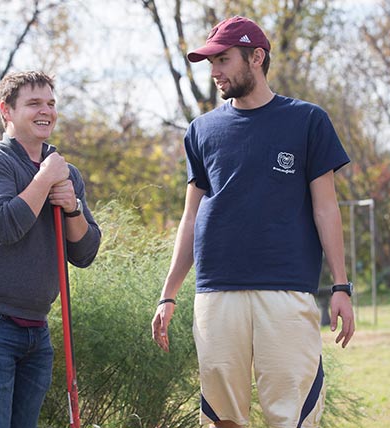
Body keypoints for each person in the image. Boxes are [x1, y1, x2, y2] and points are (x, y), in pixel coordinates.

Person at [151, 16, 355, 428]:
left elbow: (325, 209)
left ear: (256, 57)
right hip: (216, 293)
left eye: (223, 60)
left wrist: (340, 286)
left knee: (291, 415)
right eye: (211, 63)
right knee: (222, 417)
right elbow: (190, 216)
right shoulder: (201, 130)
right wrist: (168, 293)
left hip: (285, 289)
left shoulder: (307, 121)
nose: (215, 72)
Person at [0, 70, 101, 427]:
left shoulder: (65, 171)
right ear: (6, 110)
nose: (45, 111)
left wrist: (72, 209)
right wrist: (45, 178)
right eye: (34, 103)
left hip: (37, 327)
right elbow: (6, 225)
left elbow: (84, 253)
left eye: (50, 103)